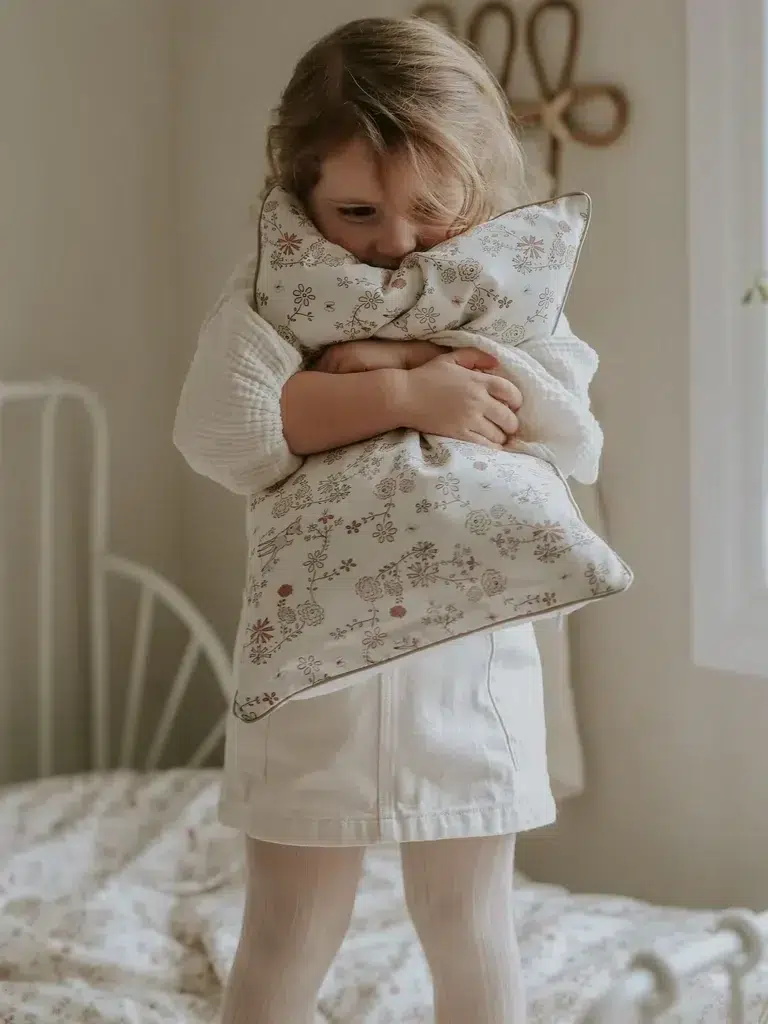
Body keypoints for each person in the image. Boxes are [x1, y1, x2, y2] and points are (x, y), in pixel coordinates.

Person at [173, 16, 602, 1024]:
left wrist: (396, 361)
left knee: (470, 924)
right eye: (357, 211)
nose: (396, 243)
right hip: (312, 680)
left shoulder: (507, 295)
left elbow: (556, 423)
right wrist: (403, 395)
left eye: (431, 211)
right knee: (287, 931)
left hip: (470, 677)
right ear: (298, 185)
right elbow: (228, 430)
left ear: (477, 190)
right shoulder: (272, 299)